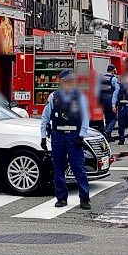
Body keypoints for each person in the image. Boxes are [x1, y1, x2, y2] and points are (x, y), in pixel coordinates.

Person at [39, 69, 93, 210]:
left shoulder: (79, 97)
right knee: (58, 168)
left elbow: (85, 118)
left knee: (78, 168)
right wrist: (43, 137)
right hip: (58, 136)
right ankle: (61, 198)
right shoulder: (53, 97)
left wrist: (82, 135)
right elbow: (45, 118)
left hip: (74, 136)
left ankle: (84, 198)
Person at [98, 64, 120, 140]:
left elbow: (98, 90)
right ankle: (107, 132)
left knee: (107, 118)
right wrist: (114, 104)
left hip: (103, 102)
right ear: (113, 70)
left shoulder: (101, 78)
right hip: (110, 101)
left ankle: (109, 137)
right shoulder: (113, 79)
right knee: (113, 119)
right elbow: (116, 92)